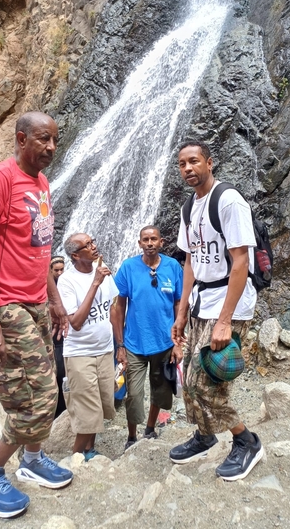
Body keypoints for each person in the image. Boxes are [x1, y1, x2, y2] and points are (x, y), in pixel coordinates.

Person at [0, 111, 73, 519]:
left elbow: (40, 247)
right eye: (43, 139)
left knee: (43, 385)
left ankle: (32, 457)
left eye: (55, 140)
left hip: (37, 303)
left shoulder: (41, 182)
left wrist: (56, 301)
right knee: (40, 397)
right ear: (21, 138)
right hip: (7, 306)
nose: (51, 148)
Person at [170, 140, 263, 481]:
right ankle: (205, 434)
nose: (188, 168)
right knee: (188, 377)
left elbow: (241, 261)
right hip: (200, 304)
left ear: (210, 163)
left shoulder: (228, 200)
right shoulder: (188, 208)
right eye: (182, 164)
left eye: (194, 161)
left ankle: (246, 442)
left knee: (205, 381)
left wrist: (225, 321)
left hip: (229, 304)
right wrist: (181, 314)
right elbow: (191, 262)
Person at [114, 225, 183, 449]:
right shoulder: (128, 267)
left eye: (154, 239)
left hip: (164, 343)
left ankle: (151, 428)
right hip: (134, 343)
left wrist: (178, 342)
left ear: (161, 242)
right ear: (140, 243)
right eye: (146, 239)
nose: (150, 243)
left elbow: (179, 304)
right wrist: (120, 344)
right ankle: (131, 436)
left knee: (160, 389)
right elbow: (118, 306)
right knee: (133, 394)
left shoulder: (173, 267)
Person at [57, 234, 125, 461]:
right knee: (88, 409)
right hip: (80, 354)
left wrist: (120, 344)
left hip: (105, 350)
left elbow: (114, 308)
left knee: (103, 403)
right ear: (75, 255)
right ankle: (75, 456)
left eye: (93, 241)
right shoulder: (67, 280)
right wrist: (95, 283)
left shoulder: (102, 268)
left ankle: (89, 450)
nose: (94, 246)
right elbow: (75, 322)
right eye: (87, 245)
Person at [50, 256, 66, 419]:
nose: (60, 273)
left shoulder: (66, 285)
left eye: (62, 269)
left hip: (65, 339)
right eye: (56, 270)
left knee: (63, 376)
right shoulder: (47, 289)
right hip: (52, 340)